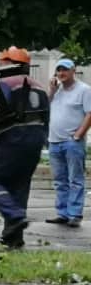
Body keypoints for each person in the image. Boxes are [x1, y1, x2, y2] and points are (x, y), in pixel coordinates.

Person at [0, 47, 44, 247]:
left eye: (2, 63)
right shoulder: (40, 86)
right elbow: (47, 118)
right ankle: (14, 238)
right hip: (35, 142)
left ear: (9, 63)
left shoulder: (5, 84)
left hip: (13, 140)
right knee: (19, 186)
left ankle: (15, 216)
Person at [44, 57, 91, 228]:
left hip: (72, 142)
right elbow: (44, 108)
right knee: (59, 180)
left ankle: (74, 214)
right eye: (59, 70)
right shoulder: (57, 90)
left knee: (75, 179)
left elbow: (89, 113)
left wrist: (78, 135)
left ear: (73, 71)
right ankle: (62, 213)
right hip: (54, 141)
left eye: (65, 69)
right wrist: (51, 90)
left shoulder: (84, 90)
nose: (61, 73)